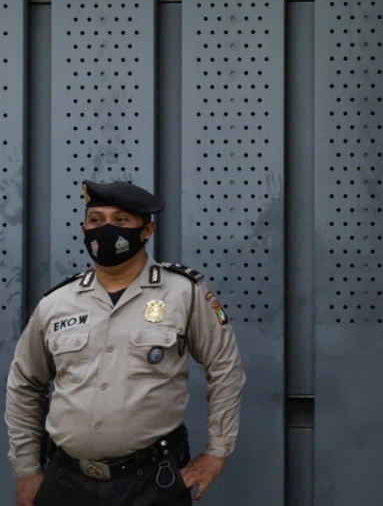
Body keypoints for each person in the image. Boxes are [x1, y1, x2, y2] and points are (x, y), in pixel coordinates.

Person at [5, 180, 246, 506]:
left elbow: (225, 369)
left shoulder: (183, 293)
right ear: (84, 228)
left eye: (120, 221)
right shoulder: (56, 303)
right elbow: (24, 384)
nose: (104, 229)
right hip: (65, 483)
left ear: (147, 230)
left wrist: (217, 452)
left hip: (150, 483)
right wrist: (26, 469)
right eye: (96, 220)